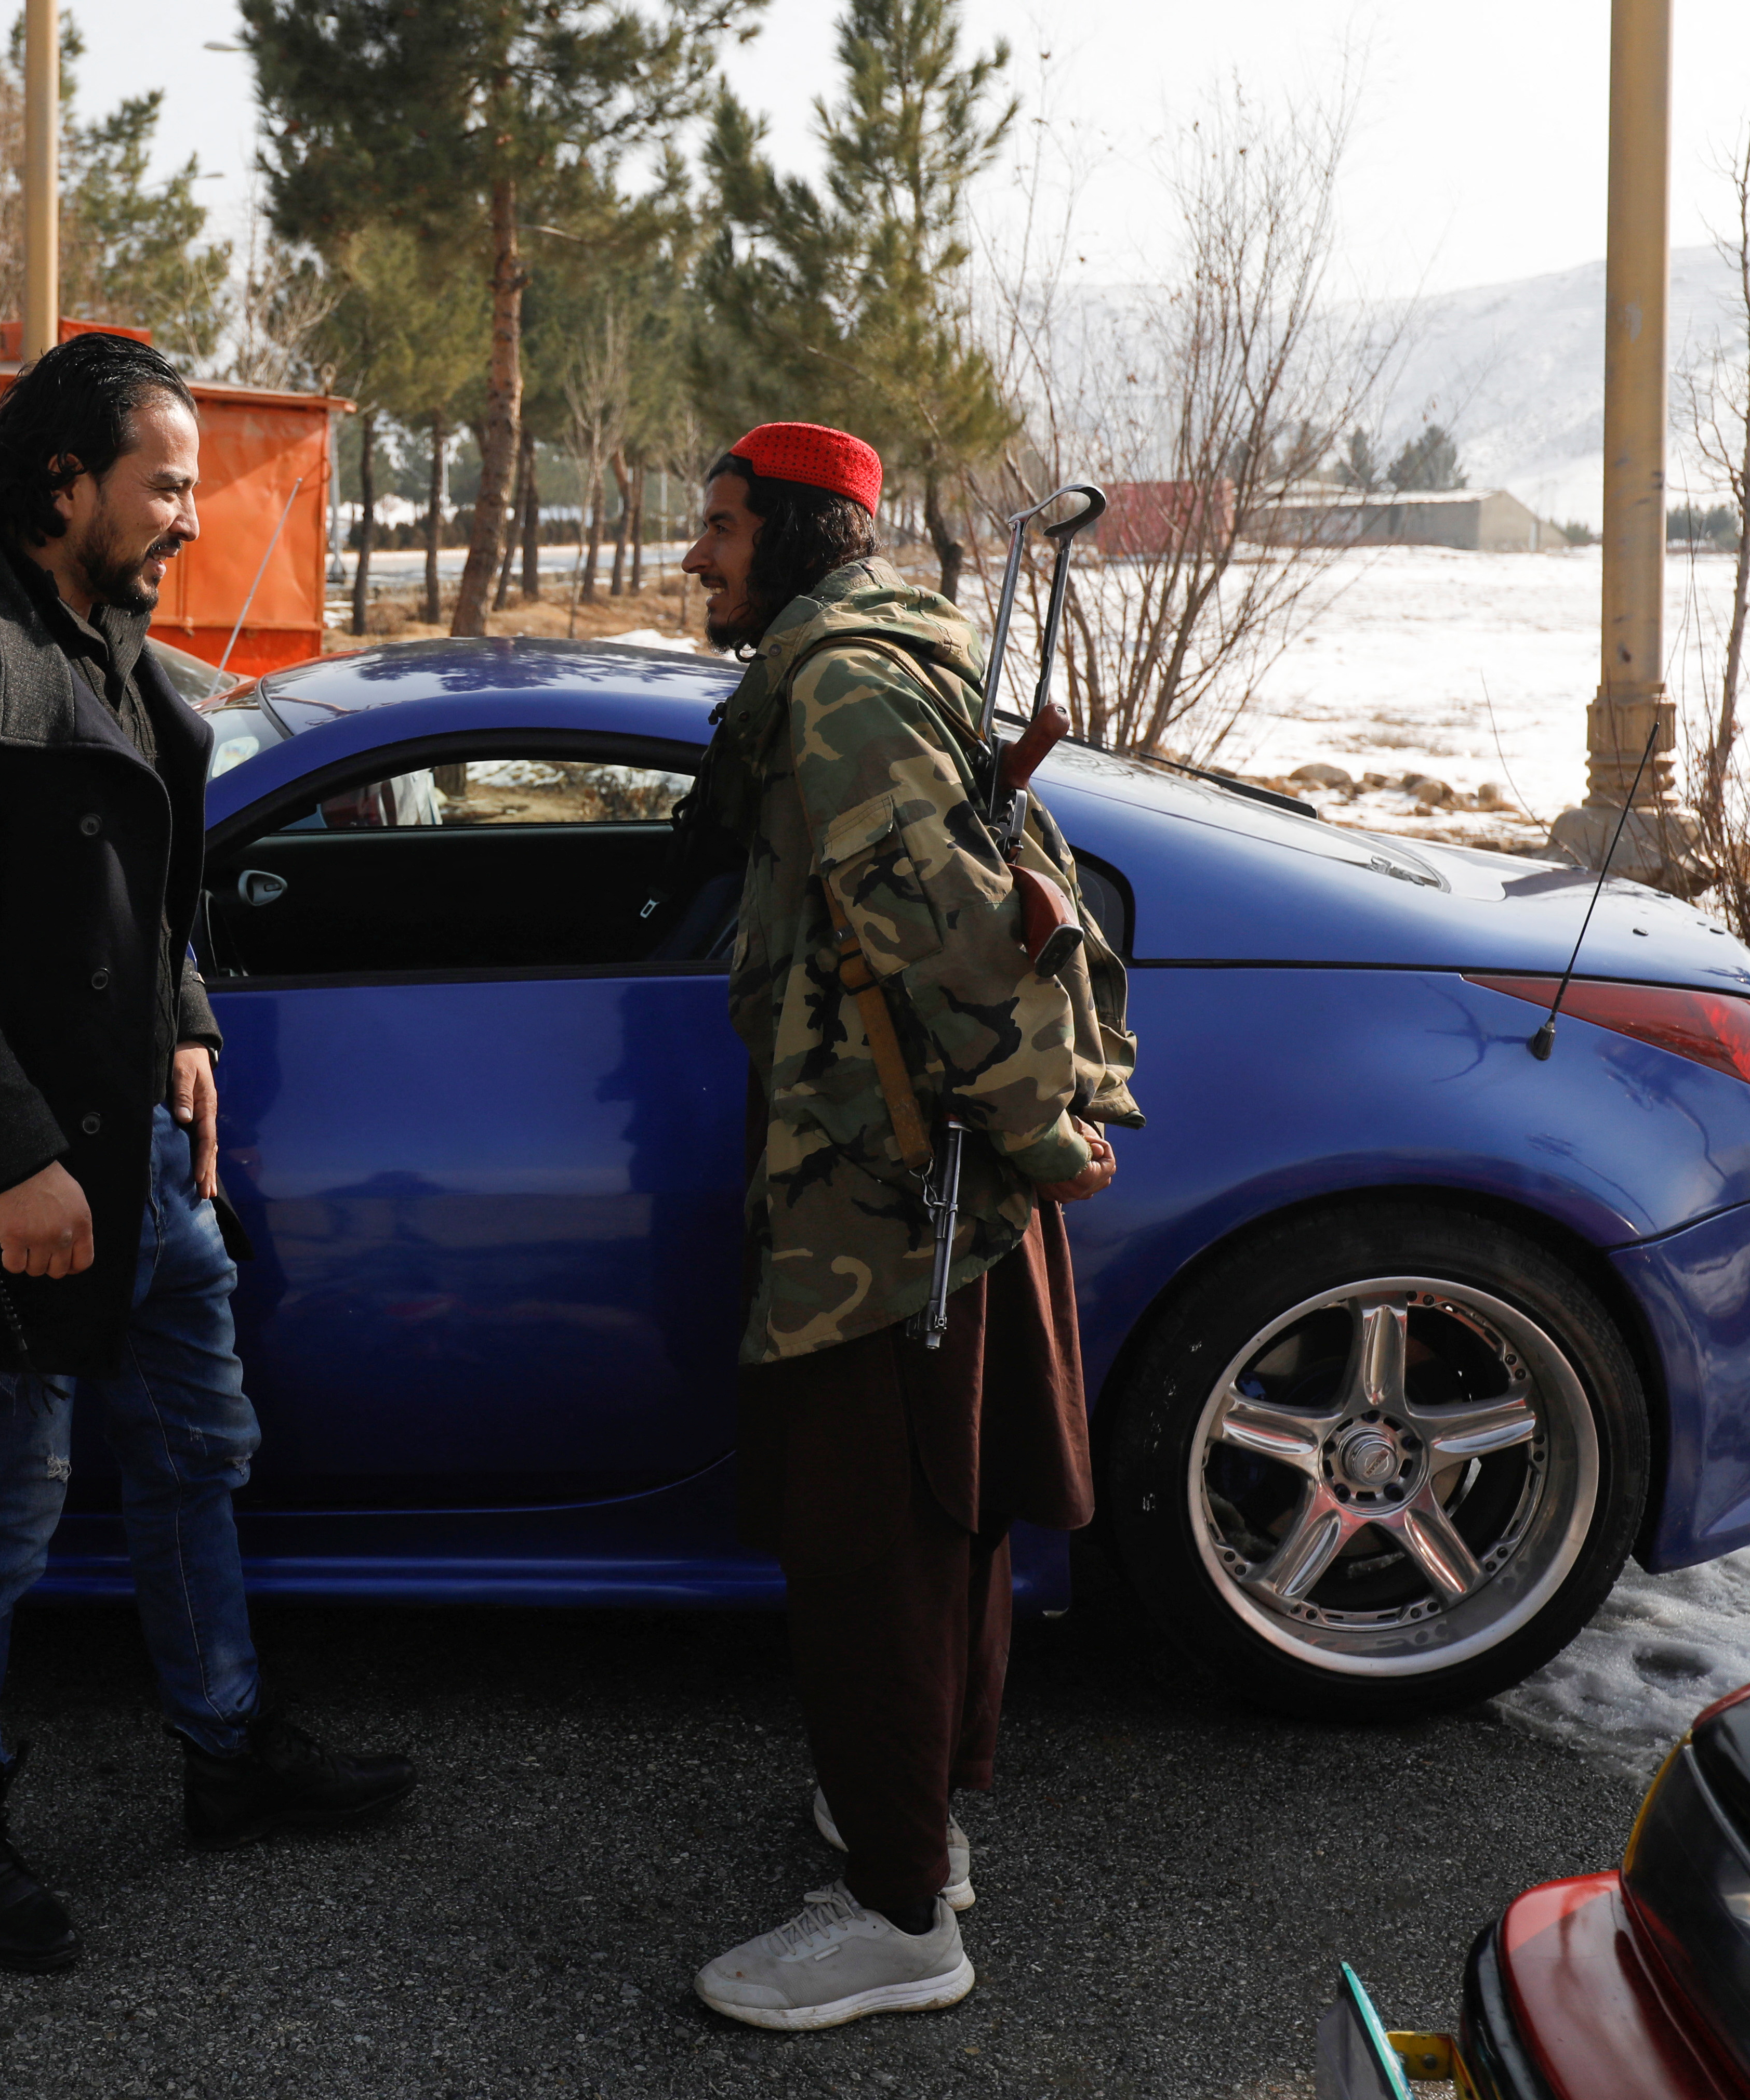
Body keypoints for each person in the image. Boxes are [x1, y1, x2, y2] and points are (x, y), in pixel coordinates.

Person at [0, 332, 415, 1975]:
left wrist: (185, 1019)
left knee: (201, 1442)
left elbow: (153, 874)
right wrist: (6, 1163)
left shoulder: (107, 623)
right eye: (170, 482)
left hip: (130, 1149)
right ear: (67, 476)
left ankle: (227, 1752)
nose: (193, 515)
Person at [674, 422, 1142, 2030]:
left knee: (869, 1536)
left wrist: (1034, 1125)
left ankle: (894, 1915)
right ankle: (915, 1818)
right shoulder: (887, 655)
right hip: (920, 1161)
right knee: (938, 1514)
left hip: (881, 1179)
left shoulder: (842, 688)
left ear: (799, 534)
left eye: (721, 527)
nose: (695, 556)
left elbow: (949, 930)